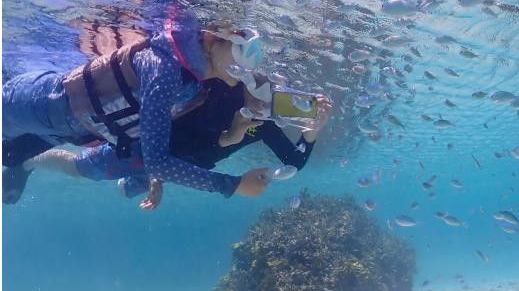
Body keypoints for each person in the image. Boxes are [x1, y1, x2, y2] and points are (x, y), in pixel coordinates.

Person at [3, 9, 274, 203]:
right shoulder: (165, 69)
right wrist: (232, 185)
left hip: (67, 129)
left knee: (8, 156)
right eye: (242, 51)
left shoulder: (191, 81)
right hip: (40, 104)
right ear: (213, 39)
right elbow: (157, 162)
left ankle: (21, 166)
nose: (246, 66)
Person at [11, 77, 332, 209]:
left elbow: (296, 162)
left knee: (127, 188)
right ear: (246, 80)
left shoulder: (263, 125)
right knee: (81, 168)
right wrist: (229, 137)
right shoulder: (219, 87)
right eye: (258, 90)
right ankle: (29, 161)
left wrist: (312, 132)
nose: (262, 103)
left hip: (182, 166)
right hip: (145, 149)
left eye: (272, 98)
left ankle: (143, 180)